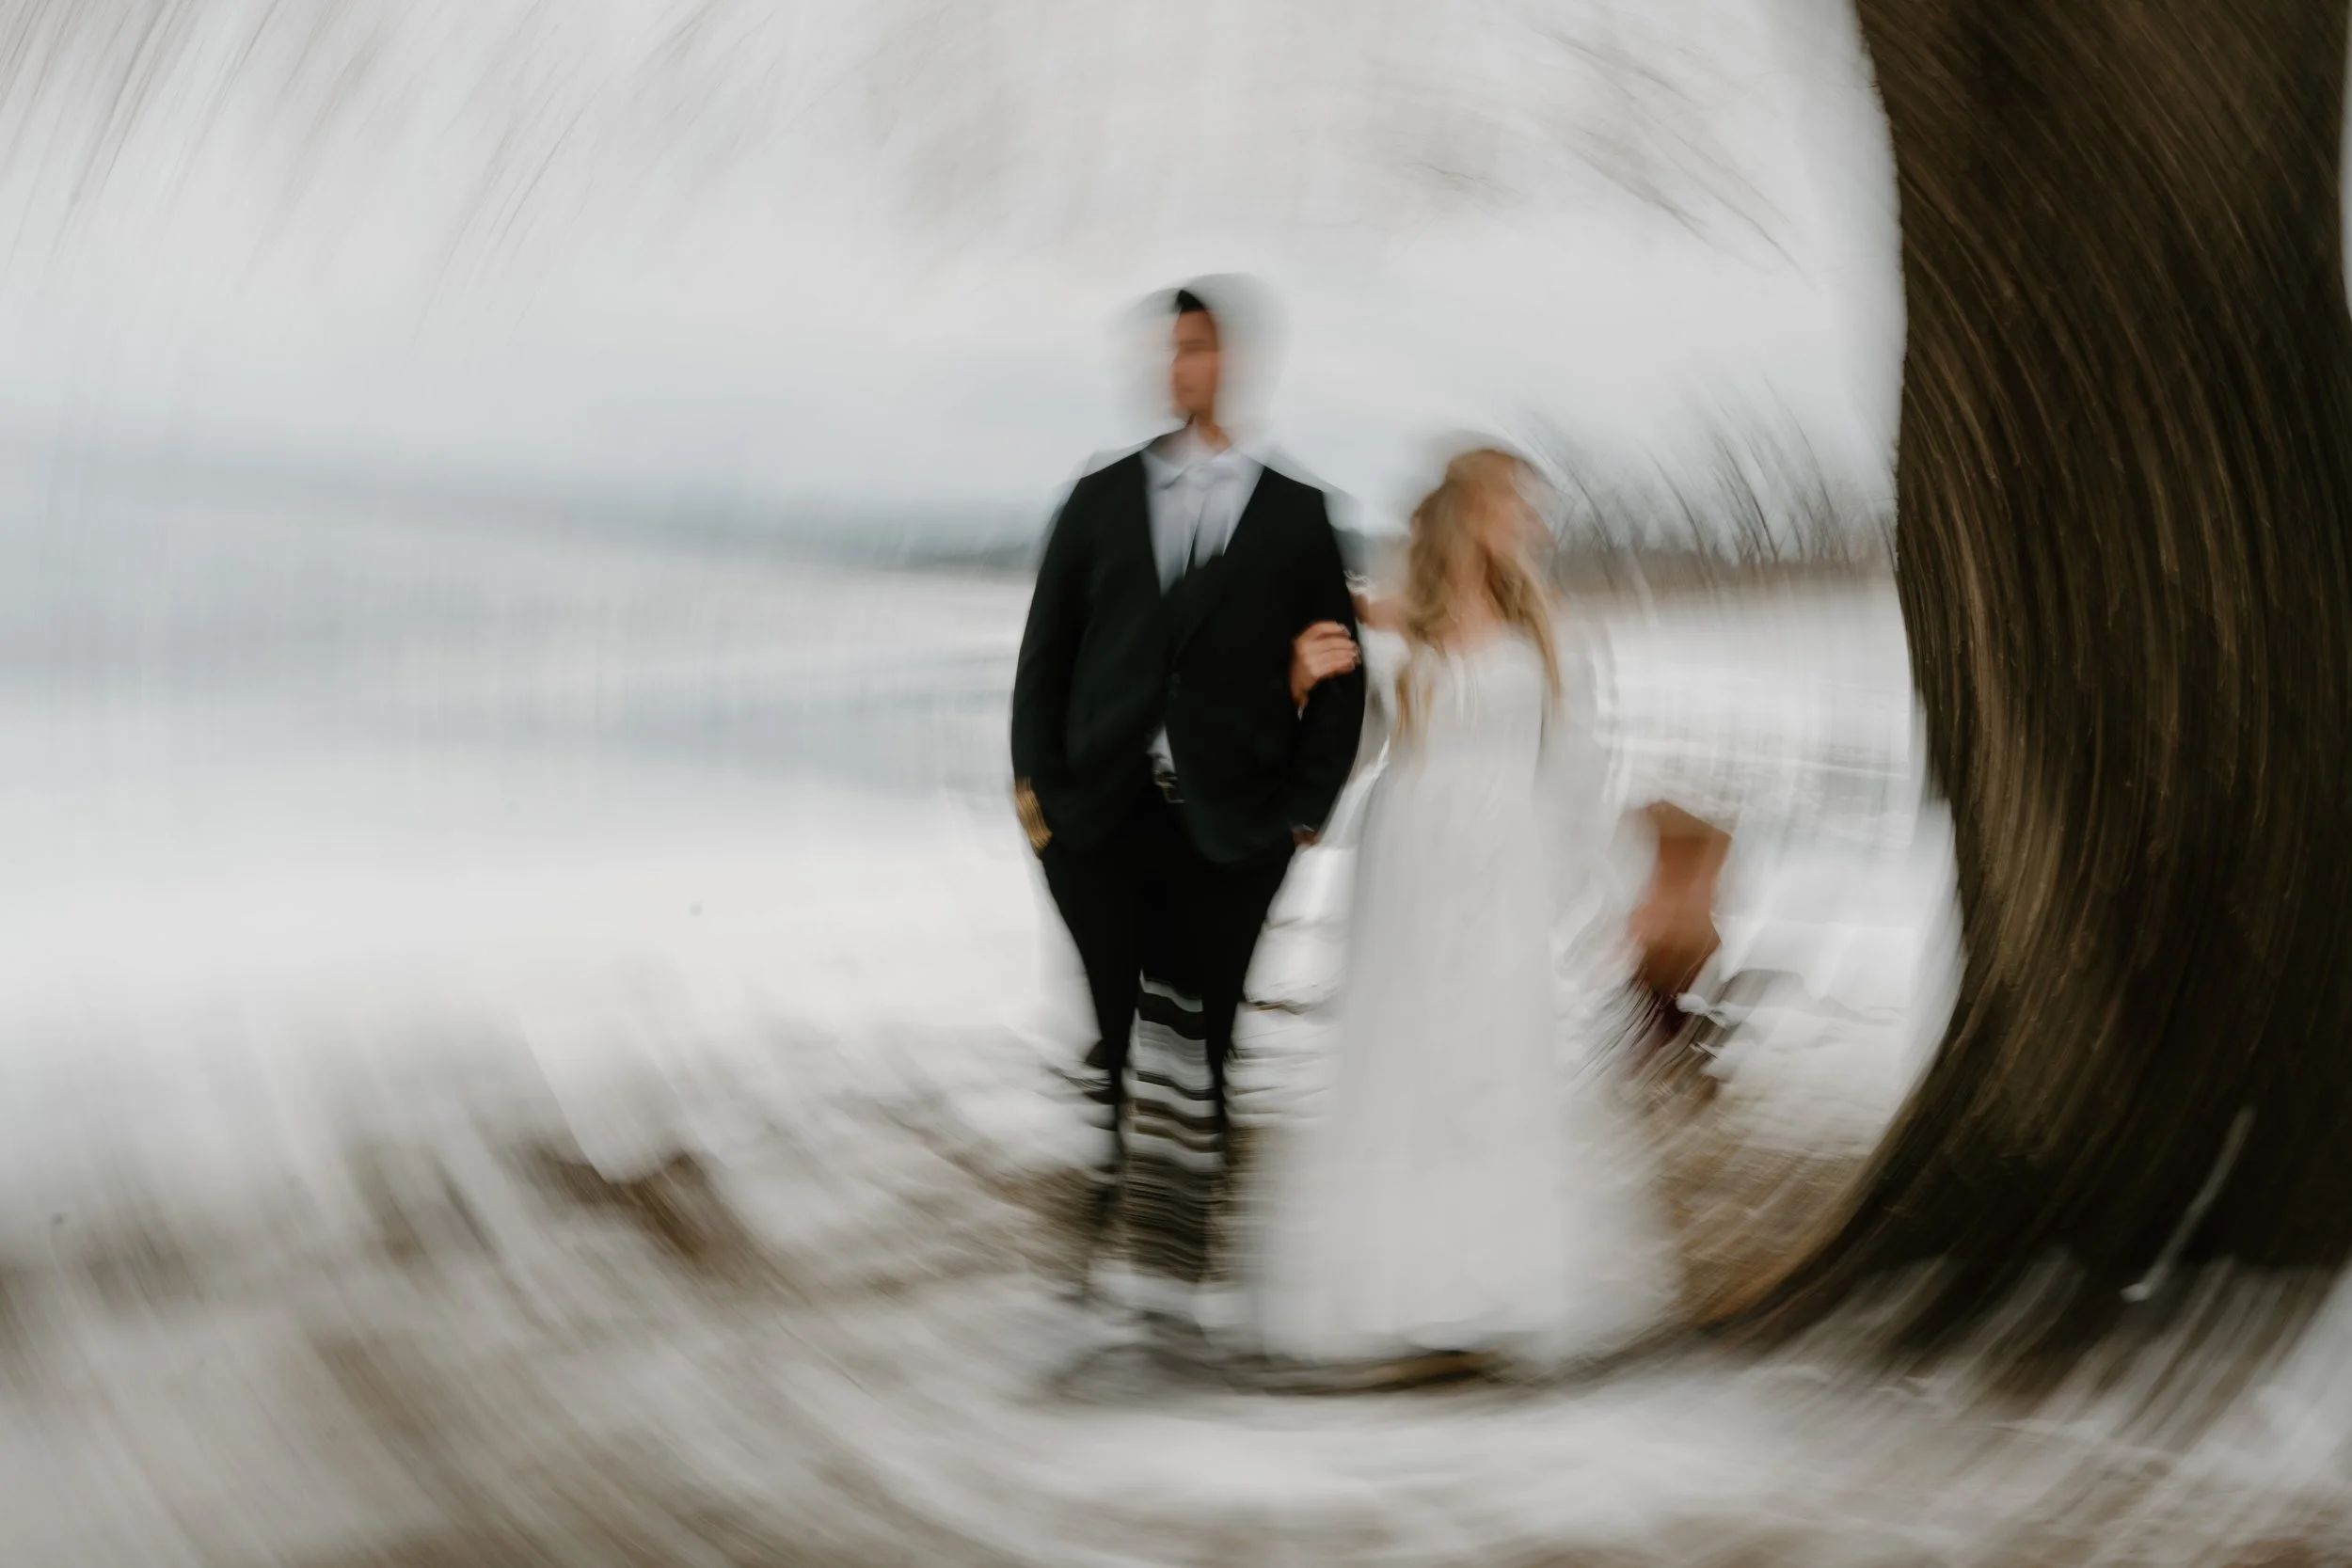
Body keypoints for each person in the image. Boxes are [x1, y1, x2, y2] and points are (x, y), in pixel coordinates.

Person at [1250, 446, 1680, 1381]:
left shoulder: (1541, 623)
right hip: (1411, 857)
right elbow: (1344, 747)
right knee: (1408, 1052)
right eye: (1515, 502)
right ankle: (1398, 1291)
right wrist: (1297, 683)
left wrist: (1614, 882)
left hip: (1505, 864)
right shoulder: (1384, 620)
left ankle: (1496, 1284)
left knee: (1493, 1054)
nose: (1531, 522)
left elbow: (1574, 763)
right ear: (1468, 508)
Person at [1010, 282, 1366, 1320]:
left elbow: (1341, 675)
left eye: (1198, 348)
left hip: (1235, 827)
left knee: (1208, 1042)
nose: (1179, 367)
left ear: (1236, 362)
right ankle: (1095, 1242)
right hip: (1099, 818)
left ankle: (1190, 1257)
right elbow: (1045, 658)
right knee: (1112, 1036)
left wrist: (1303, 812)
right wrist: (1037, 801)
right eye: (1169, 350)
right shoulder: (1098, 498)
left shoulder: (1297, 513)